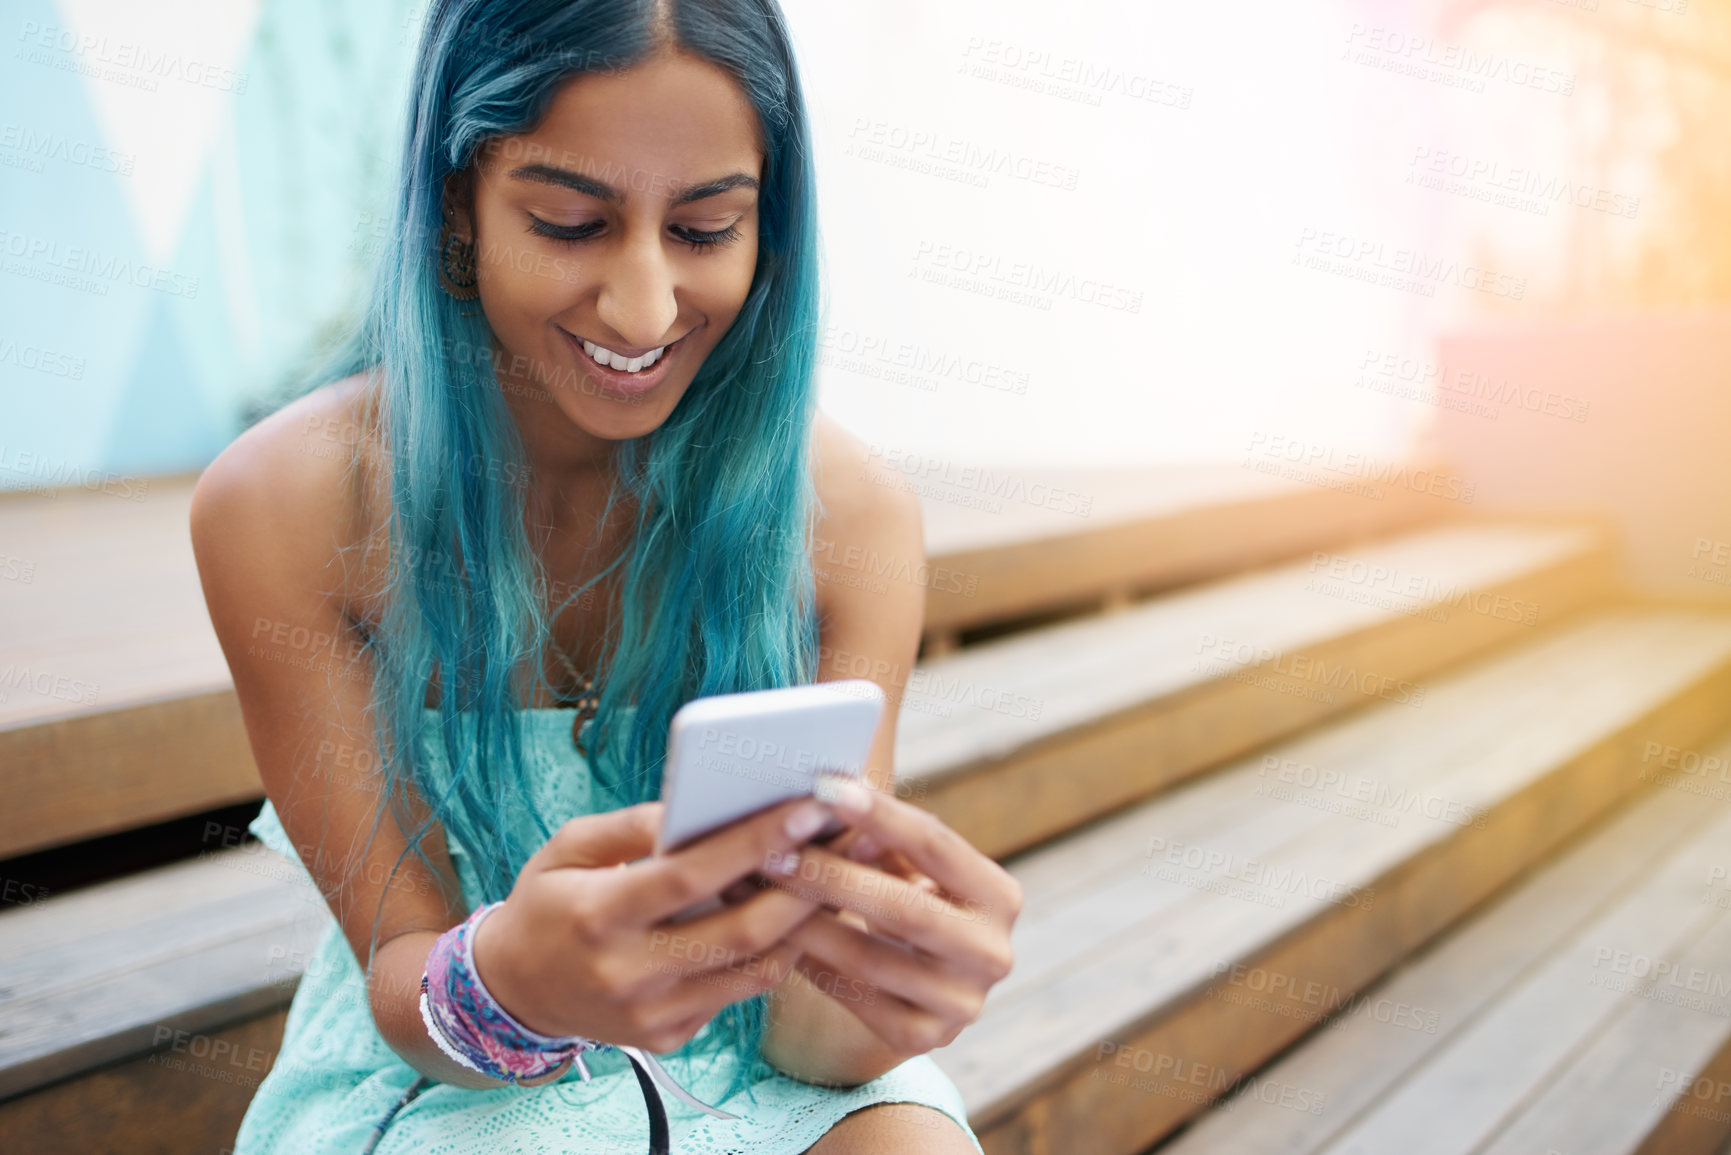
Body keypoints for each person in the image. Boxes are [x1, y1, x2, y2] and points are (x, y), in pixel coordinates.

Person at [188, 1, 1022, 1152]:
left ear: (769, 229)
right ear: (455, 211)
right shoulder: (281, 509)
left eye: (704, 228)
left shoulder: (855, 517)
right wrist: (510, 985)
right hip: (449, 1086)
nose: (643, 306)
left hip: (750, 1075)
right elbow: (403, 975)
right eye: (572, 222)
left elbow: (803, 1047)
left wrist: (886, 989)